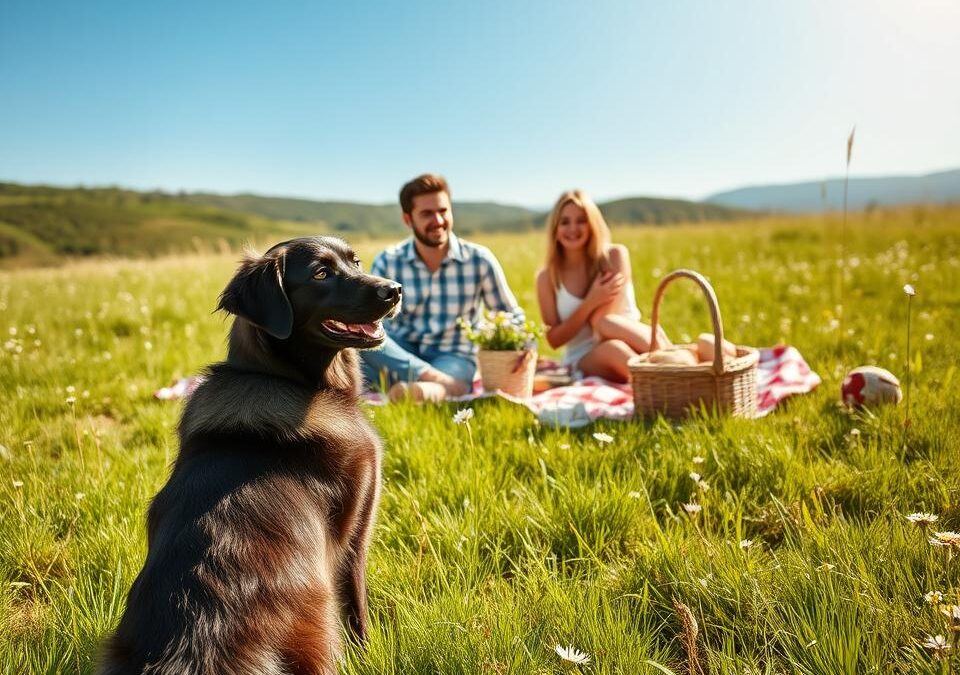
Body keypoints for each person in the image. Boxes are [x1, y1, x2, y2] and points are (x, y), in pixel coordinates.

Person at [360, 174, 524, 402]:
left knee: (363, 375)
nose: (438, 220)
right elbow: (371, 321)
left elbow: (511, 314)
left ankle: (418, 388)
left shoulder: (479, 259)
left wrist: (524, 347)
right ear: (408, 219)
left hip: (453, 355)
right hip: (400, 352)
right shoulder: (388, 261)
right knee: (358, 343)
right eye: (427, 214)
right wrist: (420, 369)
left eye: (443, 211)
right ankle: (440, 386)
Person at [535, 189, 670, 383]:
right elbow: (554, 339)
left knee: (611, 332)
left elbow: (604, 323)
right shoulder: (547, 278)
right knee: (613, 349)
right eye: (565, 222)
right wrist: (590, 301)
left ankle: (676, 366)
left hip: (633, 339)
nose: (573, 228)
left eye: (581, 220)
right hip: (585, 356)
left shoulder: (613, 256)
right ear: (555, 229)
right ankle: (665, 385)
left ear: (592, 224)